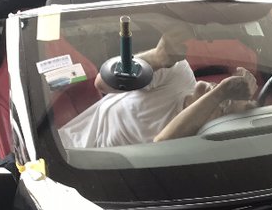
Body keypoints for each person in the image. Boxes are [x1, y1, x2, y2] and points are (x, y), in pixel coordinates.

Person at [58, 25, 257, 148]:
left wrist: (220, 94)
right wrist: (157, 57)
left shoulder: (188, 142)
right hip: (65, 145)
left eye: (224, 104)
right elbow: (103, 83)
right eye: (222, 85)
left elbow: (162, 143)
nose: (216, 87)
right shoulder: (178, 73)